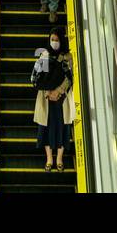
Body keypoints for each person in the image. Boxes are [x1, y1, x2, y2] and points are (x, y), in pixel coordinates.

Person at [32, 28, 75, 173]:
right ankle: (49, 158)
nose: (54, 42)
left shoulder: (67, 57)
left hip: (62, 98)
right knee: (46, 128)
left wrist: (58, 91)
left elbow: (70, 78)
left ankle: (59, 159)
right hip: (46, 98)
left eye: (57, 40)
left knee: (63, 127)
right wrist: (48, 93)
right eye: (52, 39)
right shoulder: (44, 56)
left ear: (62, 40)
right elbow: (39, 77)